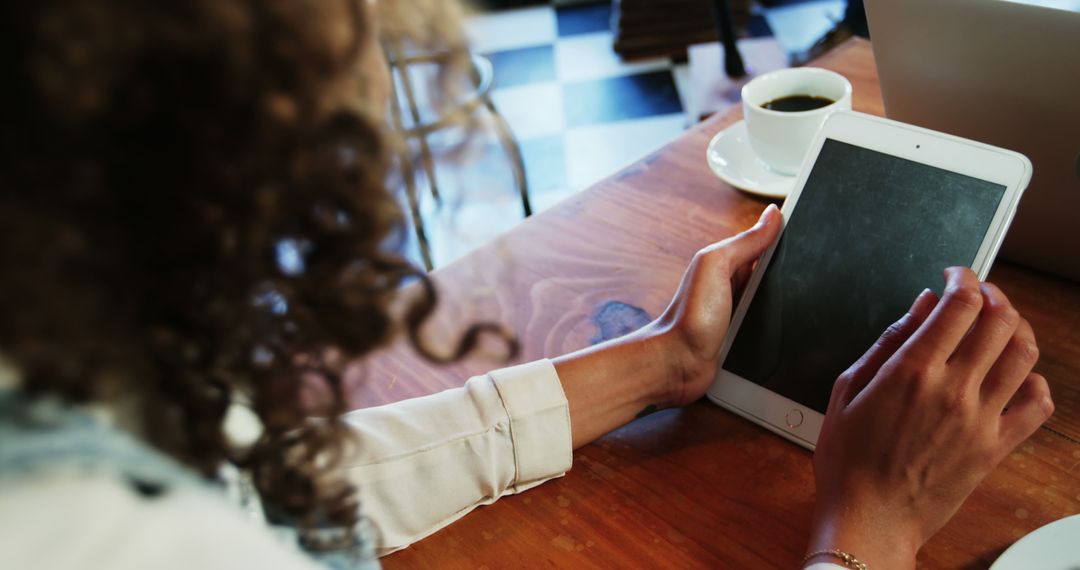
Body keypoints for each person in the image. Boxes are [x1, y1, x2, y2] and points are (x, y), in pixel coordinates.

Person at [0, 1, 1053, 569]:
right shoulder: (100, 532)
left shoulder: (70, 399)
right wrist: (868, 533)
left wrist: (657, 364)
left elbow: (275, 484)